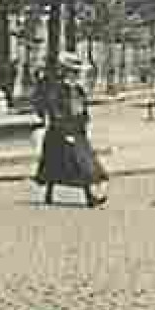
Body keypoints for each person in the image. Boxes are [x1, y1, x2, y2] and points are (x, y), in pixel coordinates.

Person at [34, 52, 108, 208]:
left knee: (79, 165)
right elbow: (55, 110)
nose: (75, 75)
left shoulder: (77, 89)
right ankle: (88, 198)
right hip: (60, 133)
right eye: (72, 71)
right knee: (72, 165)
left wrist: (83, 120)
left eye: (76, 72)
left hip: (76, 131)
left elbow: (82, 108)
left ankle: (54, 194)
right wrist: (64, 128)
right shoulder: (57, 89)